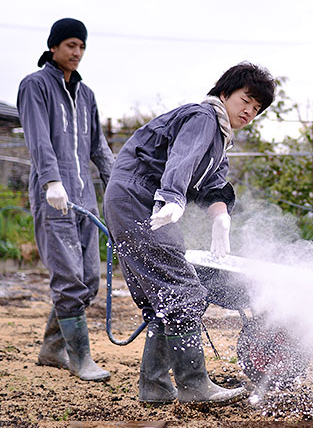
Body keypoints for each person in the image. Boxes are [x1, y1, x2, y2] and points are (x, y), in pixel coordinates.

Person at [103, 62, 275, 407]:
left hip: (140, 200)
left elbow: (213, 185)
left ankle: (155, 387)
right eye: (246, 100)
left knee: (165, 300)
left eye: (257, 109)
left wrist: (220, 217)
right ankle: (194, 385)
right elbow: (181, 160)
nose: (249, 112)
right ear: (224, 93)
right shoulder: (203, 118)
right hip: (140, 198)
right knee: (184, 291)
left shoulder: (219, 139)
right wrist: (172, 197)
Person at [17, 18, 115, 381]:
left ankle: (52, 347)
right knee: (69, 278)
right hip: (53, 197)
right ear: (54, 46)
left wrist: (117, 183)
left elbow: (98, 147)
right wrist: (52, 181)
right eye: (71, 45)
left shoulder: (86, 94)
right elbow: (39, 138)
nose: (77, 52)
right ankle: (80, 359)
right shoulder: (35, 86)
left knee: (89, 279)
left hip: (84, 199)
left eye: (82, 47)